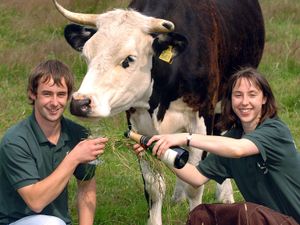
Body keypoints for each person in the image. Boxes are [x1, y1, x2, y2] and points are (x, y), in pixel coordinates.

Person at [133, 67, 300, 224]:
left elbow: (238, 149)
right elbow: (196, 177)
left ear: (264, 98)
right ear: (230, 99)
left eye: (252, 94)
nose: (244, 102)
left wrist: (185, 137)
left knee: (246, 214)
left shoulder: (275, 130)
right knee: (201, 215)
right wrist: (160, 150)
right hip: (265, 219)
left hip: (292, 220)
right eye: (238, 95)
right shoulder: (233, 137)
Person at [0, 60, 108, 225]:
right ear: (32, 94)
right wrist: (74, 157)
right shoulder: (14, 141)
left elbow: (86, 187)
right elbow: (36, 202)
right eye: (47, 94)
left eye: (61, 94)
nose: (55, 102)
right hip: (15, 221)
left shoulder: (79, 135)